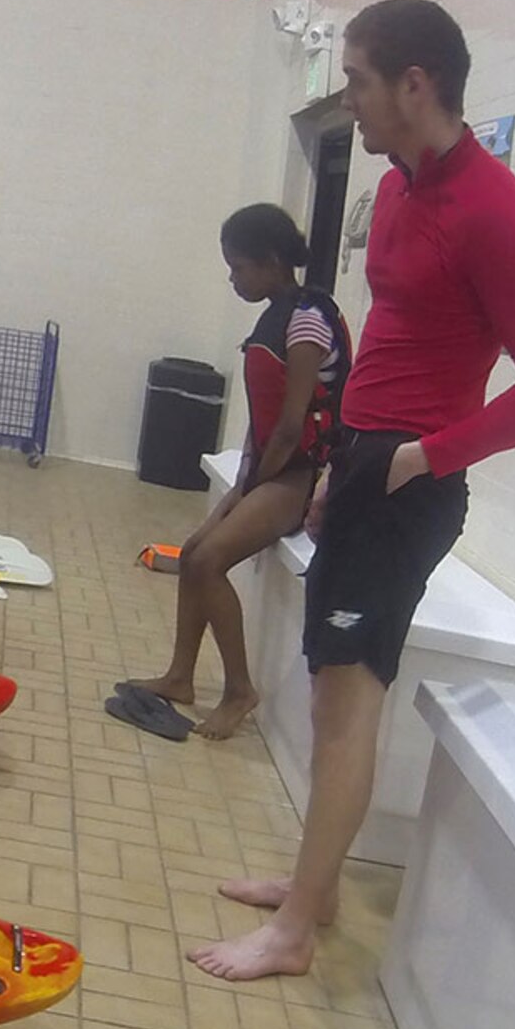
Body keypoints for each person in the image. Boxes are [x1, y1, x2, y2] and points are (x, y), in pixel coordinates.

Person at [191, 0, 515, 982]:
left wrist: (419, 458)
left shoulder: (489, 208)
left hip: (408, 481)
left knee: (346, 708)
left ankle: (293, 936)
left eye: (356, 79)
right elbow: (388, 346)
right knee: (328, 695)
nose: (346, 101)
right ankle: (309, 891)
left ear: (413, 84)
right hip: (364, 465)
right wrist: (336, 464)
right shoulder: (403, 192)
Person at [123, 204, 351, 740]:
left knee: (209, 562)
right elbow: (266, 425)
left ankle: (239, 690)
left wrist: (249, 488)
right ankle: (180, 676)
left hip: (303, 478)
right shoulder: (276, 311)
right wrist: (239, 489)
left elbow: (293, 428)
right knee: (193, 550)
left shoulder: (307, 319)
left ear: (271, 262)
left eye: (238, 268)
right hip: (272, 470)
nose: (232, 279)